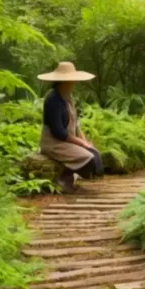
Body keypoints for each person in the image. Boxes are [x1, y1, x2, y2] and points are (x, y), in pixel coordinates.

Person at [37, 62, 104, 192]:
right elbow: (58, 132)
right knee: (88, 158)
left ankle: (69, 177)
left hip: (67, 141)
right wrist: (80, 143)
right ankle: (64, 178)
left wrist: (85, 142)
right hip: (54, 143)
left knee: (95, 155)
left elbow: (76, 125)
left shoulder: (68, 97)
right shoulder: (53, 99)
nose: (74, 83)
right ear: (64, 81)